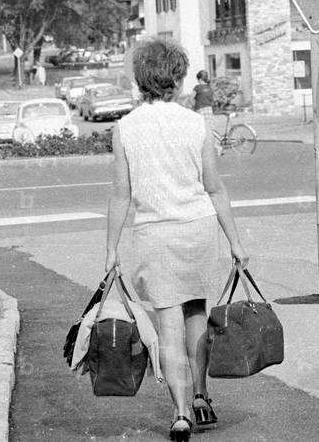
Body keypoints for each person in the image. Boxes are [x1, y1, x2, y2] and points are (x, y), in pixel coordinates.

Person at [104, 39, 248, 442]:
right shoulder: (196, 124)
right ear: (178, 76)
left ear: (140, 78)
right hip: (198, 229)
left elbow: (121, 194)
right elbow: (215, 188)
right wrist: (235, 242)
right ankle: (201, 394)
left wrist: (111, 249)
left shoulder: (125, 129)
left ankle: (181, 414)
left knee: (168, 325)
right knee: (197, 314)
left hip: (155, 233)